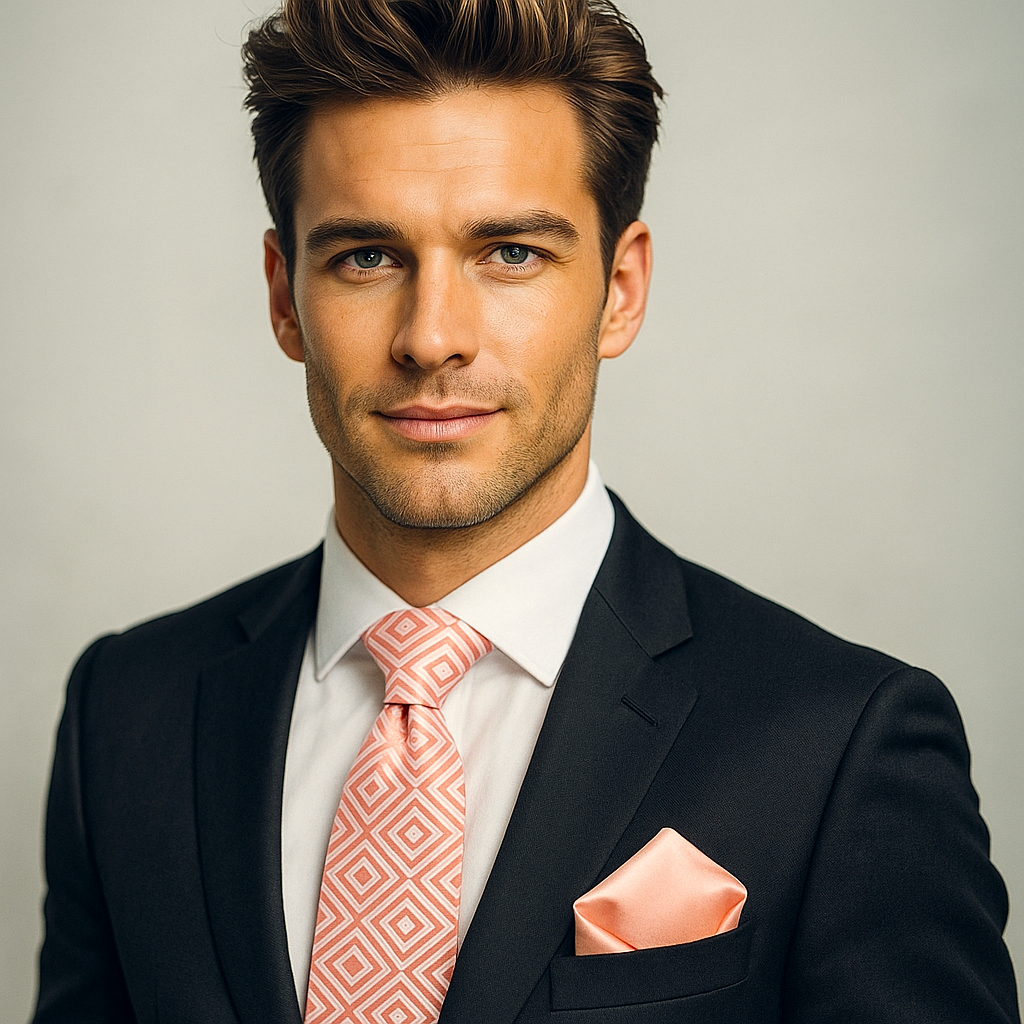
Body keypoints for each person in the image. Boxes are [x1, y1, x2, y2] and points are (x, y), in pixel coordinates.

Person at [33, 0, 1020, 1021]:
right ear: (285, 297)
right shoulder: (127, 712)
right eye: (366, 256)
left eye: (510, 252)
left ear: (620, 289)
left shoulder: (836, 743)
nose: (431, 338)